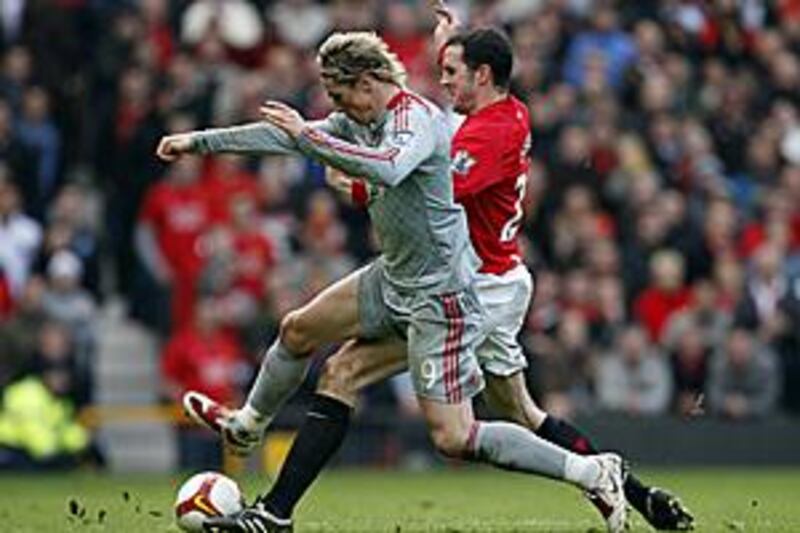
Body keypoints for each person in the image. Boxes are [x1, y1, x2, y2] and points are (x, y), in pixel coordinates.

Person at [197, 4, 692, 531]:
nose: (442, 80)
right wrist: (448, 39)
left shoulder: (488, 134)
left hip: (472, 283)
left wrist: (357, 184)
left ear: (482, 76)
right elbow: (438, 124)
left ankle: (276, 509)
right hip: (480, 274)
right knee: (522, 414)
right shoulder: (495, 112)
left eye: (451, 73)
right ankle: (629, 488)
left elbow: (431, 190)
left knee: (387, 394)